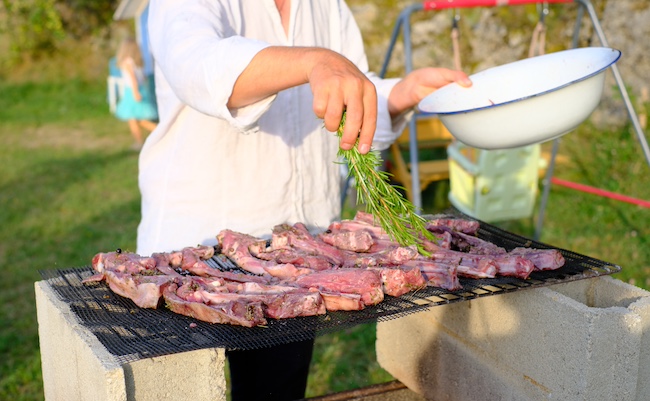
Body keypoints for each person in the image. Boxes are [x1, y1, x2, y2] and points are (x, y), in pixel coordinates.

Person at [139, 1, 471, 400]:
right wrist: (314, 61)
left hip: (297, 264)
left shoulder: (327, 7)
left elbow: (346, 99)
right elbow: (197, 67)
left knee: (276, 390)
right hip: (192, 258)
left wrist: (400, 93)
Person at [114, 37, 159, 151]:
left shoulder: (126, 63)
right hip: (140, 90)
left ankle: (139, 142)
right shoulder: (138, 63)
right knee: (139, 119)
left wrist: (135, 93)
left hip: (132, 92)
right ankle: (159, 130)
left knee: (133, 118)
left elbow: (133, 79)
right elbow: (142, 79)